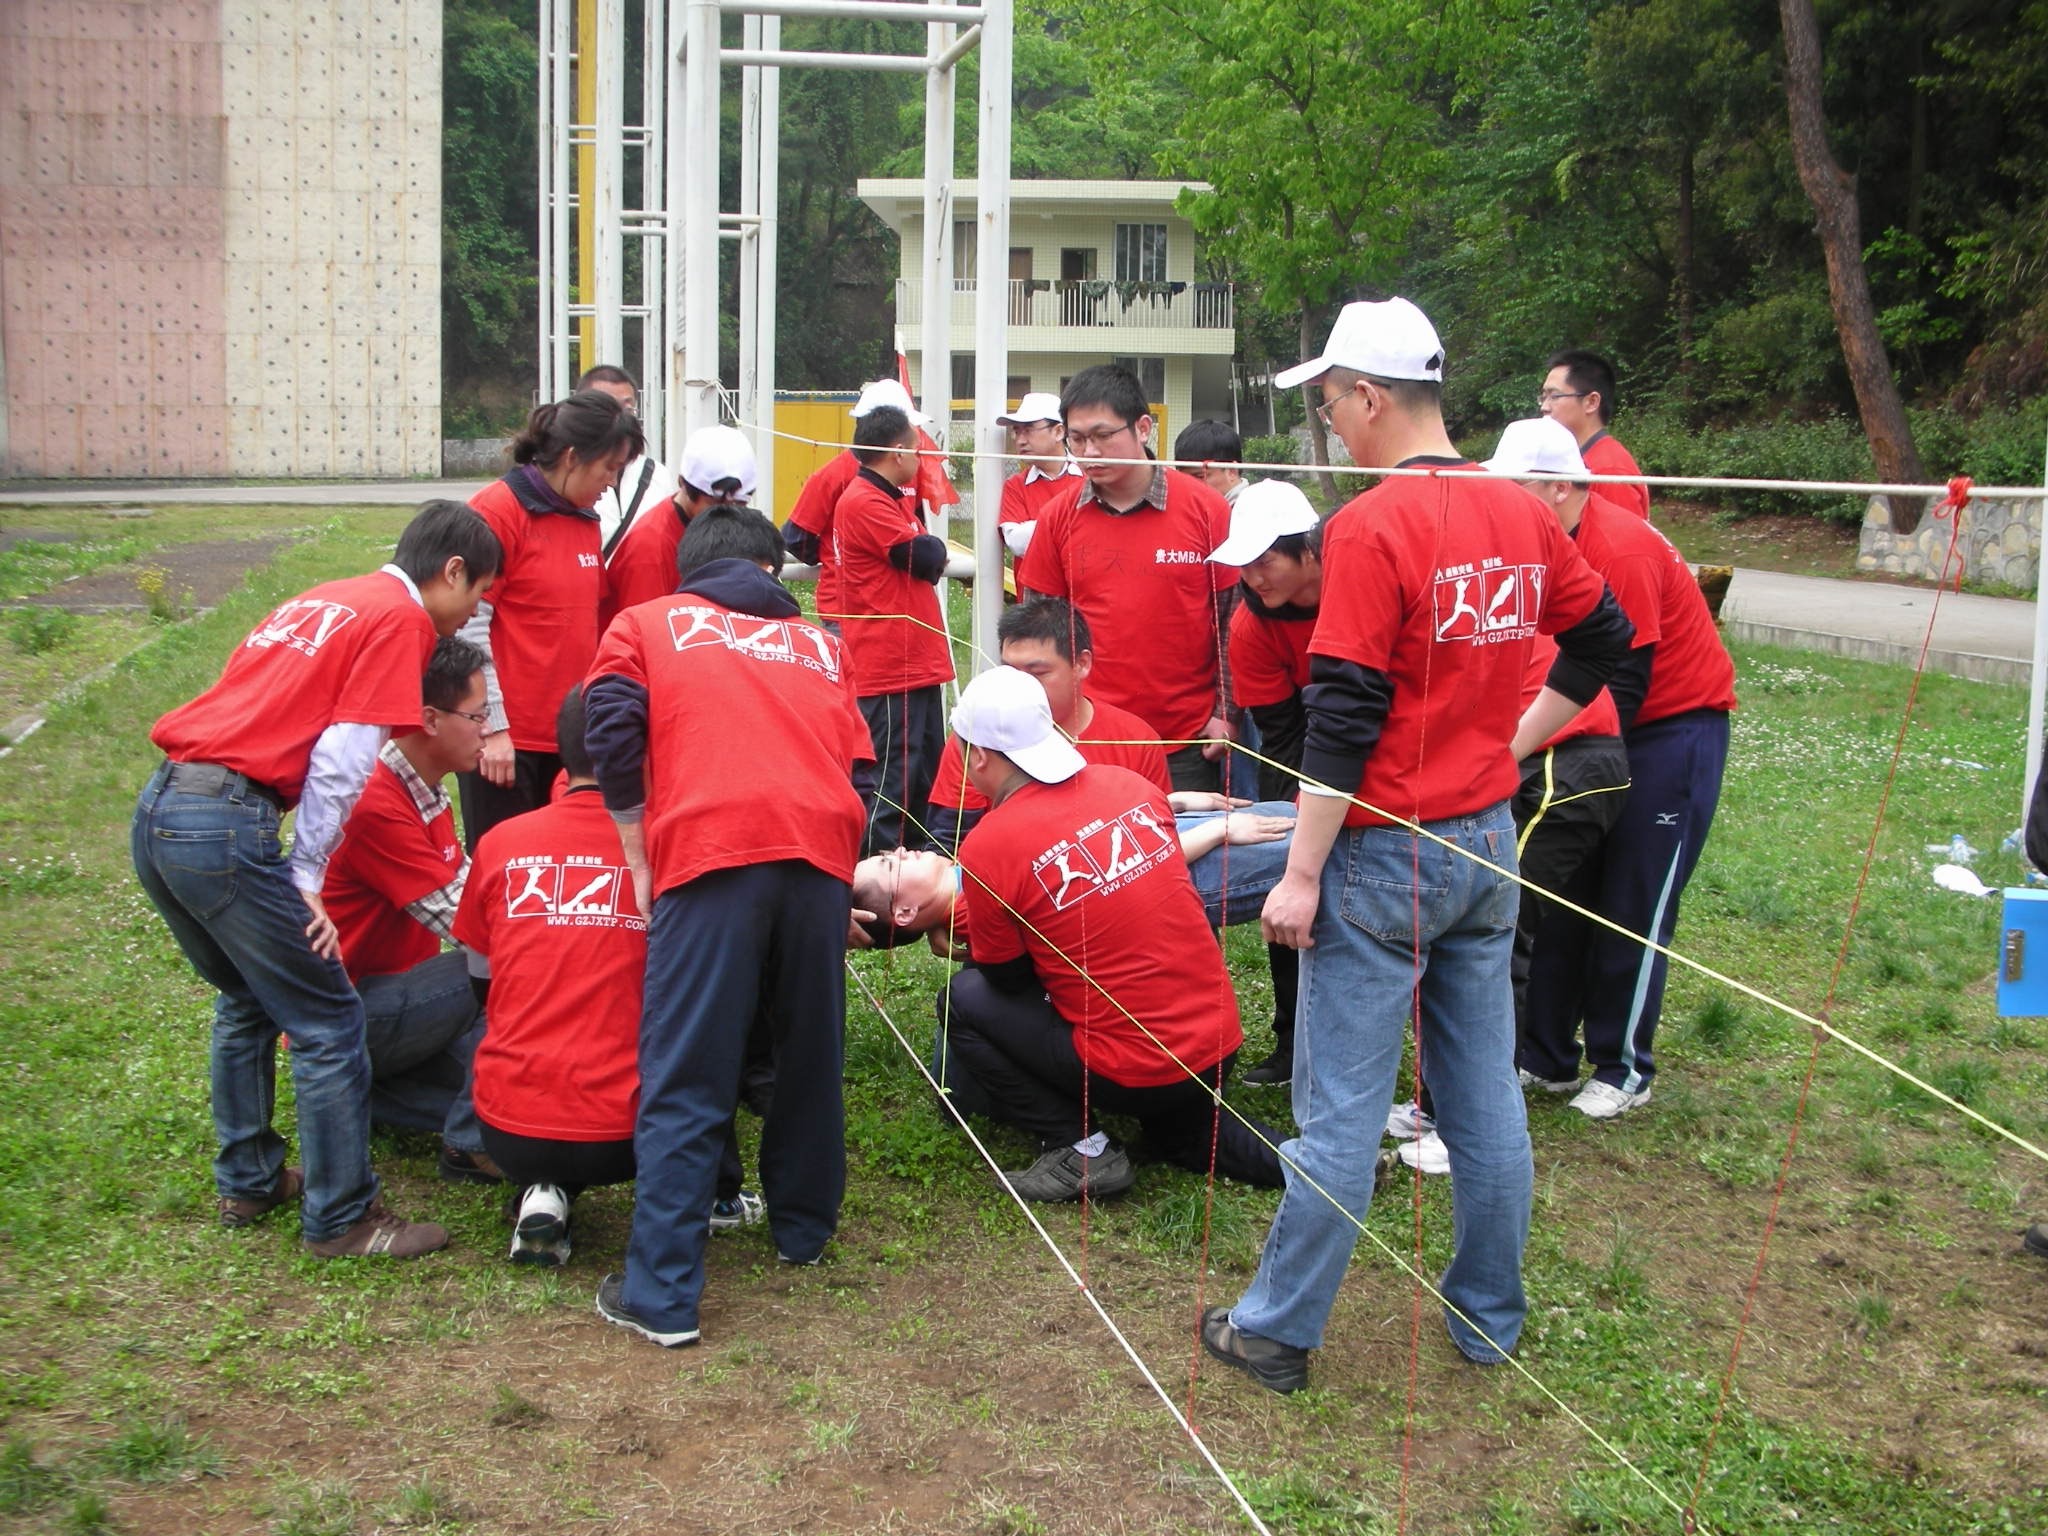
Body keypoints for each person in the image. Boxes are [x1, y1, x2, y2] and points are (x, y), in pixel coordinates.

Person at [1200, 298, 1633, 1395]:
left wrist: (1300, 872)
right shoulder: (1518, 509)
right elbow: (1606, 640)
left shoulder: (1369, 525)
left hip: (1384, 853)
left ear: (1369, 397)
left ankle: (1276, 1331)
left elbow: (1344, 715)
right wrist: (1509, 746)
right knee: (1481, 1096)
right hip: (1484, 846)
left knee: (1341, 1114)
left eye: (1328, 403)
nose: (1329, 424)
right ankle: (1488, 1316)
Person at [132, 500, 502, 1259]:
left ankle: (250, 1179)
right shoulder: (401, 619)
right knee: (328, 1020)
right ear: (452, 571)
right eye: (478, 595)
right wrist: (304, 873)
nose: (471, 615)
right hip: (226, 818)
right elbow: (343, 756)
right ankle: (342, 1217)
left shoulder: (327, 598)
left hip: (166, 801)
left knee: (247, 998)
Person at [586, 506, 875, 1348]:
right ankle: (803, 1229)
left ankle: (662, 1293)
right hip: (818, 858)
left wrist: (635, 845)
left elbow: (610, 722)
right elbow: (862, 766)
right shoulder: (822, 643)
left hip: (710, 853)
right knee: (808, 1053)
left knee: (686, 1067)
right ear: (771, 572)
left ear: (689, 573)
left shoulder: (645, 624)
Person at [937, 666, 1288, 1198]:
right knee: (1184, 1134)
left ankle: (1079, 1150)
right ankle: (1320, 1168)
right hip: (1216, 1045)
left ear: (979, 756)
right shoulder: (1130, 785)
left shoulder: (988, 846)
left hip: (1135, 1069)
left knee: (963, 996)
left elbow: (1006, 981)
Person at [1495, 416, 1735, 1118]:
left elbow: (1621, 678)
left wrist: (1586, 772)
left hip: (1669, 729)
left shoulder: (1619, 547)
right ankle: (1546, 1055)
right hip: (1585, 730)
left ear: (1561, 487)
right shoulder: (1542, 539)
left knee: (1632, 900)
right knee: (1561, 894)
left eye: (1516, 488)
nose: (1503, 503)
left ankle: (1625, 1067)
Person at [320, 635, 496, 1183]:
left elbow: (470, 885)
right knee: (493, 970)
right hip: (356, 1009)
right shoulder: (376, 802)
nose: (487, 729)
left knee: (518, 1083)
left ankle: (365, 1094)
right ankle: (469, 1145)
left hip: (407, 994)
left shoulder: (424, 784)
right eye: (478, 715)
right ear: (429, 719)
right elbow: (466, 922)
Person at [1016, 364, 1238, 793]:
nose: (1090, 452)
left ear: (1143, 428)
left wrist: (1226, 712)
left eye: (1102, 435)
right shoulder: (1058, 518)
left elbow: (1232, 621)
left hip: (1187, 739)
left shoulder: (1206, 510)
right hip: (1087, 736)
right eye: (1077, 438)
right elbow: (1037, 628)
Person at [460, 390, 645, 849]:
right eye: (609, 468)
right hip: (508, 744)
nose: (612, 483)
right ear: (571, 457)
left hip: (567, 743)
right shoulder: (497, 511)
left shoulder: (584, 518)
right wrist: (493, 728)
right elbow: (468, 626)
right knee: (506, 864)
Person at [1207, 478, 1323, 1087]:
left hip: (1387, 746)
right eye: (1243, 565)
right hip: (1304, 747)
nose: (1253, 579)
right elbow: (1281, 732)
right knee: (1289, 886)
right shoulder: (1251, 627)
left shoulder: (1361, 591)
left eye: (1266, 561)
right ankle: (1291, 1042)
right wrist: (1300, 813)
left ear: (1309, 549)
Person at [925, 596, 1171, 852]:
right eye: (1011, 671)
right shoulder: (978, 737)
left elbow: (1158, 840)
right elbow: (948, 845)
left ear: (1082, 664)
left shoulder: (1135, 740)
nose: (1020, 685)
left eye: (1037, 673)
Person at [833, 405, 955, 855]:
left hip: (912, 663)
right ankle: (875, 875)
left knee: (925, 775)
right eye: (918, 450)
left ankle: (923, 868)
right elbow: (925, 556)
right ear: (898, 451)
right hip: (889, 665)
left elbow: (926, 550)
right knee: (891, 782)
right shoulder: (864, 500)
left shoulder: (890, 499)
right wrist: (929, 547)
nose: (921, 460)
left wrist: (929, 547)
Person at [783, 378, 944, 624]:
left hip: (895, 603)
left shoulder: (905, 473)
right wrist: (842, 555)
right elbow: (796, 538)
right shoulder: (835, 476)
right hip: (850, 608)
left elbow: (916, 532)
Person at [601, 424, 757, 628]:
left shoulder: (714, 531)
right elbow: (646, 634)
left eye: (740, 504)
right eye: (716, 505)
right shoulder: (650, 548)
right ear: (682, 484)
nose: (729, 515)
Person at [1539, 349, 1650, 520]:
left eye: (1554, 396)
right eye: (1543, 397)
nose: (1544, 407)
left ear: (1591, 402)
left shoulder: (1609, 472)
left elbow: (1621, 535)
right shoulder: (1575, 458)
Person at [579, 365, 679, 551]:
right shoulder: (570, 479)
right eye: (608, 408)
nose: (620, 419)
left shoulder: (657, 475)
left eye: (628, 408)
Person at [995, 392, 1082, 557]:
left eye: (1028, 430)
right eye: (1017, 431)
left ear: (1059, 432)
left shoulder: (1090, 478)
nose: (1020, 440)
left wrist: (1036, 527)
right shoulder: (1016, 486)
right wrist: (1073, 524)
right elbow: (1016, 542)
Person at [1175, 419, 1248, 508]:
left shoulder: (1252, 509)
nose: (1189, 487)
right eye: (1183, 480)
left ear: (1232, 471)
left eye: (1200, 477)